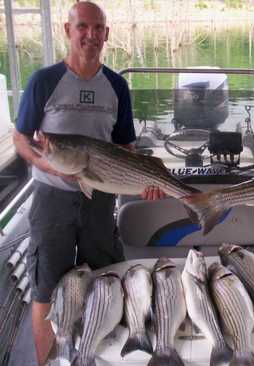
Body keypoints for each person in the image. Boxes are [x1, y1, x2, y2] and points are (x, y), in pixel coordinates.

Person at [12, 2, 165, 364]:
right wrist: (48, 167)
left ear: (106, 34)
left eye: (98, 28)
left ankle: (100, 357)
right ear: (68, 30)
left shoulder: (116, 85)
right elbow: (21, 138)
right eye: (82, 26)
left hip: (100, 198)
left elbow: (125, 147)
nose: (90, 35)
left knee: (107, 280)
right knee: (46, 290)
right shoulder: (44, 81)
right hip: (51, 201)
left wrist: (144, 181)